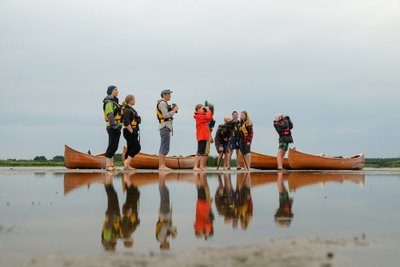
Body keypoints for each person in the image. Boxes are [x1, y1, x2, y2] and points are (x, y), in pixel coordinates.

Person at [156, 89, 178, 170]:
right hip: (165, 126)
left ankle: (162, 165)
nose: (170, 95)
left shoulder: (163, 103)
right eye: (168, 94)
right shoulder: (162, 103)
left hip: (165, 127)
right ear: (164, 95)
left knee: (164, 145)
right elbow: (165, 115)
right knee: (164, 146)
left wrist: (172, 110)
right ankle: (162, 166)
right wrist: (174, 110)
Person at [103, 85, 123, 171]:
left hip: (117, 127)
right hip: (112, 127)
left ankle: (111, 165)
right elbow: (110, 114)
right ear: (111, 91)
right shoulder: (109, 102)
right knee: (111, 145)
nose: (117, 91)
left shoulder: (115, 102)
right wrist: (115, 125)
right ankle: (108, 166)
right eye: (115, 90)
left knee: (115, 146)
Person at [156, 172, 177, 250]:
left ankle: (161, 177)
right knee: (165, 194)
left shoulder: (161, 238)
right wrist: (173, 232)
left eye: (167, 246)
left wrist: (172, 231)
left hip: (164, 215)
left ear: (163, 246)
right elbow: (169, 227)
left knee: (165, 195)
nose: (169, 245)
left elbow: (165, 226)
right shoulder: (164, 238)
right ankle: (161, 179)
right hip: (166, 214)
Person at [101, 171, 121, 251]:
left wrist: (113, 215)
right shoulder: (112, 239)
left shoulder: (106, 237)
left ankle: (107, 183)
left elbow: (109, 226)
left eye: (113, 249)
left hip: (112, 215)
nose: (115, 249)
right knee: (113, 196)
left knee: (112, 197)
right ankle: (107, 183)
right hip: (115, 215)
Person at [121, 95, 141, 170]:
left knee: (130, 148)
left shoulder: (130, 109)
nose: (135, 101)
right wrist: (132, 132)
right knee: (137, 147)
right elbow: (126, 122)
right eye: (134, 99)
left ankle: (127, 166)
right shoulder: (127, 110)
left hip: (130, 131)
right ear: (130, 100)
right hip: (129, 131)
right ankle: (126, 162)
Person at [121, 172, 140, 248]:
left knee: (131, 191)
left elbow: (125, 219)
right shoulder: (128, 232)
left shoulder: (126, 231)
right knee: (133, 191)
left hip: (130, 208)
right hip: (132, 209)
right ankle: (128, 176)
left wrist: (127, 213)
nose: (131, 238)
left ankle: (127, 176)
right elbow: (135, 222)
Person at [194, 172, 214, 240]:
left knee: (203, 187)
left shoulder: (200, 226)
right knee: (199, 188)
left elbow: (208, 224)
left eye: (201, 233)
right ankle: (197, 175)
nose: (202, 232)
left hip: (204, 203)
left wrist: (207, 233)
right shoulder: (196, 226)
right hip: (200, 203)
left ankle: (200, 175)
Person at [193, 104, 213, 171]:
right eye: (202, 108)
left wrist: (209, 111)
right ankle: (195, 166)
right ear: (198, 109)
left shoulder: (202, 115)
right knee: (199, 152)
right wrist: (208, 110)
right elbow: (207, 117)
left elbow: (209, 118)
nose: (203, 109)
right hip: (201, 136)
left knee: (203, 152)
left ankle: (201, 166)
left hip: (204, 136)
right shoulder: (198, 116)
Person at [202, 101, 215, 169]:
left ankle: (204, 166)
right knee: (205, 151)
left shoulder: (210, 118)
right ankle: (203, 166)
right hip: (205, 136)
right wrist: (210, 136)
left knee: (206, 151)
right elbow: (207, 128)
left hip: (206, 135)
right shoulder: (207, 117)